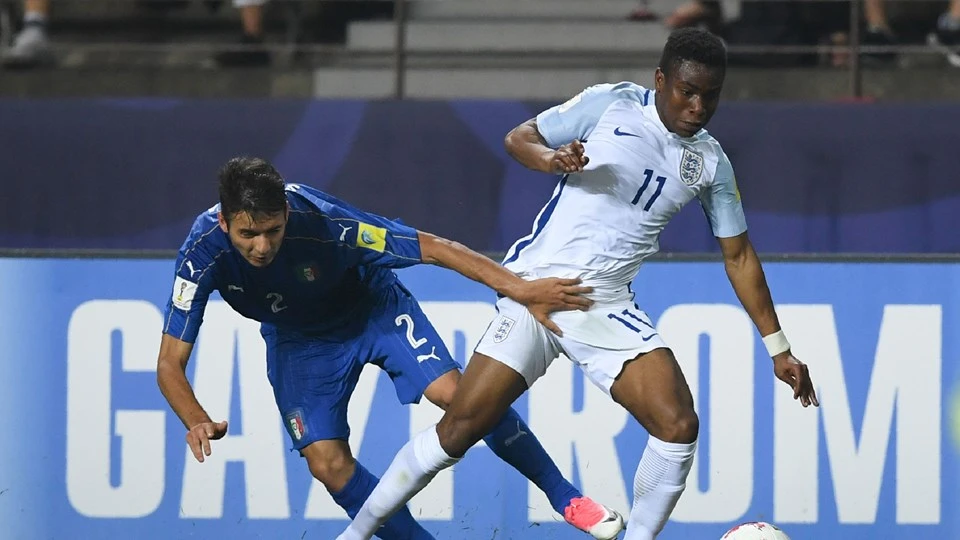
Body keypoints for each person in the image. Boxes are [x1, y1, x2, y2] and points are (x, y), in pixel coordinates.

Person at [335, 28, 820, 540]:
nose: (698, 107)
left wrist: (779, 349)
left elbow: (739, 257)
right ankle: (354, 536)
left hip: (603, 303)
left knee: (678, 426)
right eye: (687, 91)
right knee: (458, 429)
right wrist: (551, 159)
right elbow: (519, 137)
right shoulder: (612, 103)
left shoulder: (712, 164)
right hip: (536, 291)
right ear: (661, 80)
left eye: (711, 95)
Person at [156, 157, 625, 540]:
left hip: (372, 309)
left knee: (460, 398)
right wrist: (195, 417)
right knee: (327, 465)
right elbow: (169, 363)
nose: (263, 246)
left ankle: (566, 497)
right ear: (224, 222)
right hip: (299, 340)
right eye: (248, 235)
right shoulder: (202, 250)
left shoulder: (326, 221)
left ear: (286, 216)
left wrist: (520, 289)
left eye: (273, 230)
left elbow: (434, 247)